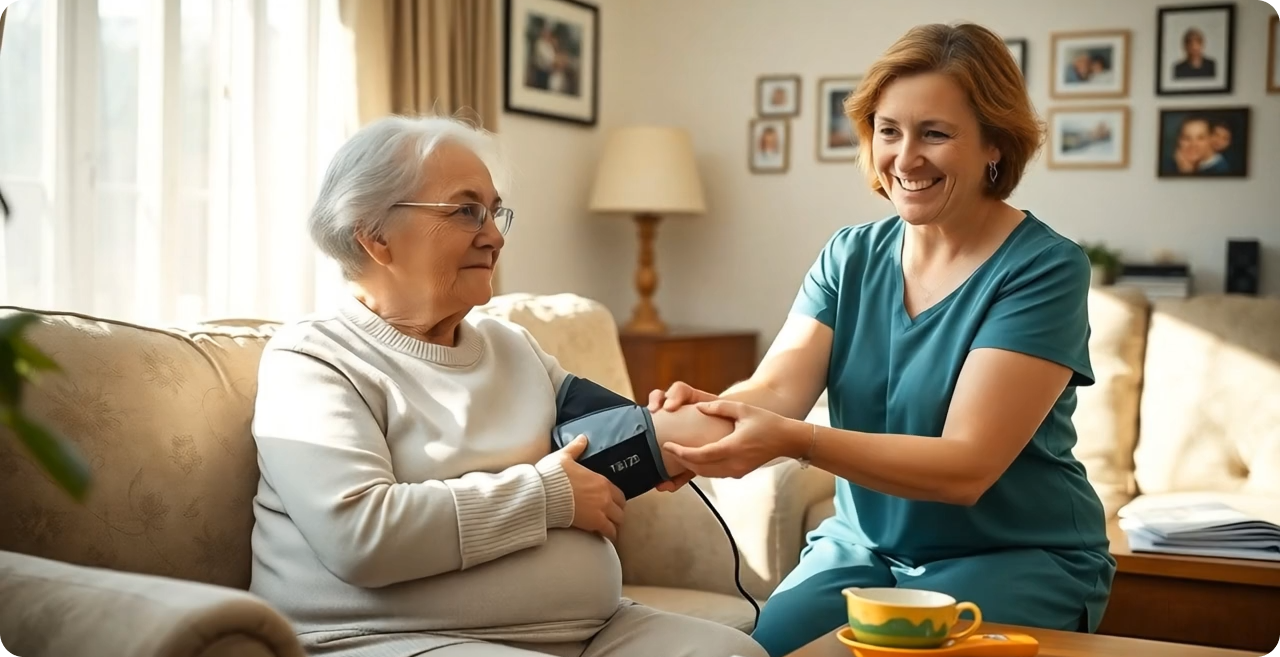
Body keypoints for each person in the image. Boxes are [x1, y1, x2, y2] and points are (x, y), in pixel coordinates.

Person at [649, 22, 1116, 657]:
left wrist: (794, 440)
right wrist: (699, 421)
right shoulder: (850, 255)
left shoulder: (1044, 267)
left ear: (995, 145)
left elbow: (967, 466)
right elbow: (777, 387)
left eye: (935, 134)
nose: (905, 158)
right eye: (888, 130)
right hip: (862, 550)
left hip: (1014, 555)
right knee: (757, 652)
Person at [247, 114, 767, 657]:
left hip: (588, 630)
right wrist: (549, 495)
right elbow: (360, 536)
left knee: (736, 654)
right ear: (375, 235)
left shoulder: (512, 346)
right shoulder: (315, 358)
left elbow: (616, 436)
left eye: (495, 212)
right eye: (466, 211)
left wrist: (684, 431)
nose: (495, 237)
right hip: (386, 639)